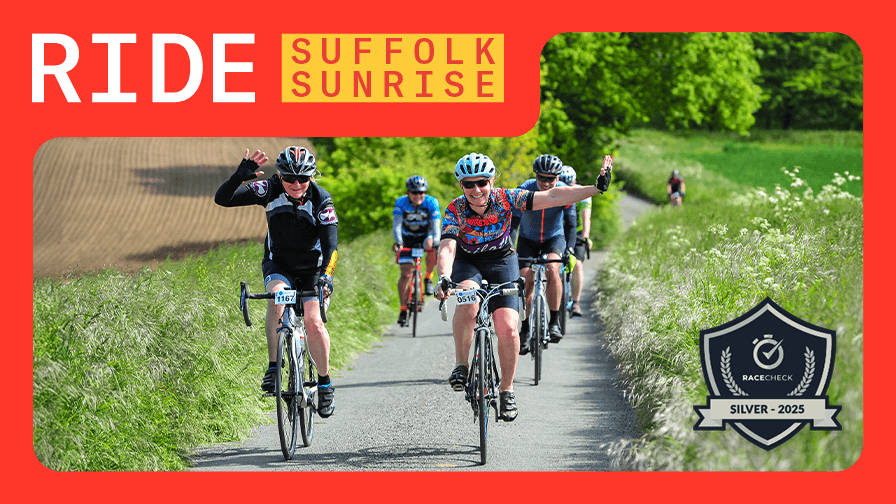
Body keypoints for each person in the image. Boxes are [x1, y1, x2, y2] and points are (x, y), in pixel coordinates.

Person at [436, 152, 613, 422]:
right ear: (461, 185)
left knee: (507, 327)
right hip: (467, 261)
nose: (476, 190)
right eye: (469, 184)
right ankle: (462, 364)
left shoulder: (507, 198)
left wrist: (595, 188)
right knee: (468, 302)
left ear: (491, 181)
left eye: (482, 182)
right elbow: (448, 245)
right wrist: (444, 276)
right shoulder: (455, 209)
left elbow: (554, 197)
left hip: (502, 261)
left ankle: (506, 390)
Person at [214, 146, 337, 418]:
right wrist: (238, 177)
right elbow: (223, 199)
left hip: (314, 268)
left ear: (311, 178)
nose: (296, 184)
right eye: (289, 178)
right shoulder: (268, 189)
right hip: (279, 263)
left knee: (313, 321)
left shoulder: (322, 200)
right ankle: (273, 366)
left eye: (303, 178)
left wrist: (326, 277)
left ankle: (325, 382)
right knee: (277, 300)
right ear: (279, 176)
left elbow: (331, 247)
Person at [510, 154, 577, 353]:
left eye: (551, 179)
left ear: (558, 178)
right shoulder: (525, 189)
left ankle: (554, 321)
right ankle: (525, 329)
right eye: (542, 178)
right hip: (527, 240)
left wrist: (570, 248)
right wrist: (510, 247)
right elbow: (514, 223)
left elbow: (571, 224)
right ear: (535, 176)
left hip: (553, 238)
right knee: (525, 278)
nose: (546, 183)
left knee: (552, 268)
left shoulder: (566, 191)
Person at [392, 175, 441, 325]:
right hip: (407, 238)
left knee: (432, 244)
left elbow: (436, 225)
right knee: (406, 274)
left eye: (421, 192)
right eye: (414, 193)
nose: (418, 196)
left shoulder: (432, 202)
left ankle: (428, 277)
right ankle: (402, 309)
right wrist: (399, 242)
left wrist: (436, 242)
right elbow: (397, 225)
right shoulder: (401, 202)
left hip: (426, 236)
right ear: (408, 193)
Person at [559, 165, 591, 318]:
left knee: (577, 264)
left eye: (569, 186)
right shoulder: (555, 191)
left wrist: (585, 236)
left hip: (576, 231)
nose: (567, 190)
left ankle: (576, 302)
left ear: (575, 182)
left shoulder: (583, 193)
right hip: (557, 230)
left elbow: (586, 216)